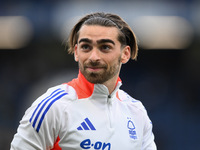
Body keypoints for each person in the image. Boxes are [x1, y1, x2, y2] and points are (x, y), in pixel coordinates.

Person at [10, 12, 157, 150]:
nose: (93, 57)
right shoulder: (53, 107)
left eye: (105, 47)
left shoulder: (137, 112)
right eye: (86, 47)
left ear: (125, 54)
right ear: (76, 52)